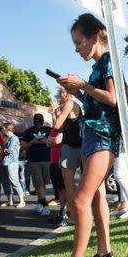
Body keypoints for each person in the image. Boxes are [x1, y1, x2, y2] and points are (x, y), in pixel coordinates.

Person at [39, 13, 120, 257]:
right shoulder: (98, 65)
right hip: (92, 136)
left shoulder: (108, 60)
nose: (76, 48)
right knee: (95, 197)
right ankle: (104, 253)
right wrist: (79, 93)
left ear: (95, 37)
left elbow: (113, 99)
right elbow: (98, 102)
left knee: (80, 199)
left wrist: (83, 85)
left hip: (104, 138)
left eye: (79, 42)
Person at [50, 86, 82, 225]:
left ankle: (73, 216)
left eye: (60, 95)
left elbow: (57, 125)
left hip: (71, 147)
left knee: (69, 185)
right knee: (74, 184)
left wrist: (55, 109)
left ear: (65, 94)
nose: (59, 97)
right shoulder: (76, 105)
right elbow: (61, 127)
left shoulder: (69, 104)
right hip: (76, 145)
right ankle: (77, 213)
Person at [2, 123, 26, 208]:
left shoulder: (14, 138)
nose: (2, 130)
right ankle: (10, 201)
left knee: (14, 181)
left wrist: (1, 149)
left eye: (3, 128)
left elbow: (10, 150)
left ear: (7, 129)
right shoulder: (9, 138)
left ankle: (22, 201)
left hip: (12, 162)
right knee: (6, 182)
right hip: (6, 162)